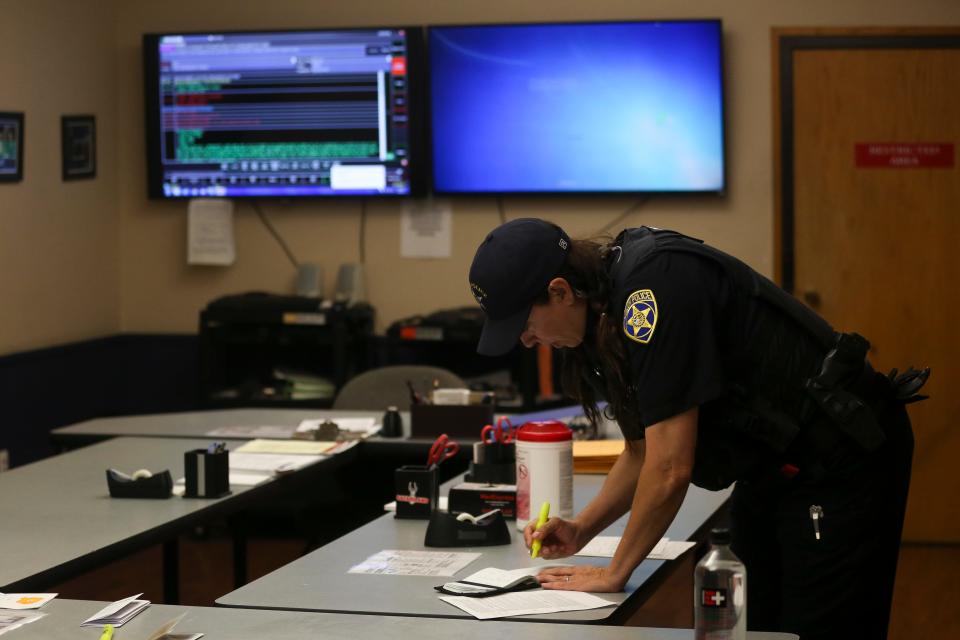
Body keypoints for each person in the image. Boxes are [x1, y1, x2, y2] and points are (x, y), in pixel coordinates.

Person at [468, 218, 928, 639]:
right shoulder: (603, 315)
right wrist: (582, 530)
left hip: (841, 461)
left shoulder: (653, 292)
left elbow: (670, 466)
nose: (527, 342)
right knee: (752, 626)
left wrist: (614, 573)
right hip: (772, 468)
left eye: (525, 325)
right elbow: (642, 450)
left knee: (817, 628)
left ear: (561, 291)